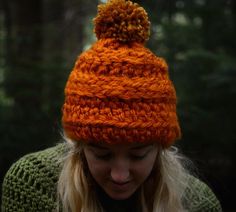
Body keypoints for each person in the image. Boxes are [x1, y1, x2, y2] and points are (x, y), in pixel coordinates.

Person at [1, 0, 222, 211]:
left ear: (159, 148)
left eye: (138, 155)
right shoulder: (33, 185)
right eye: (102, 155)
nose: (120, 175)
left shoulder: (198, 203)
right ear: (80, 145)